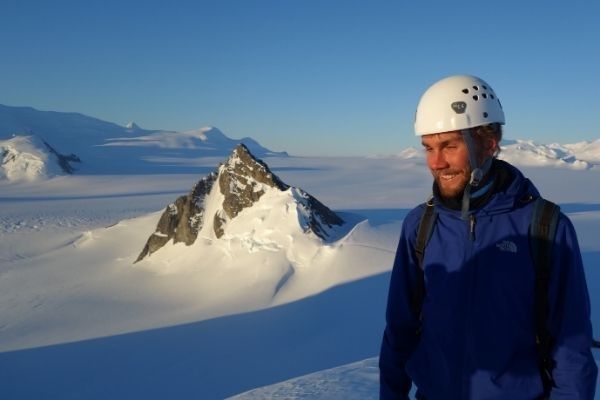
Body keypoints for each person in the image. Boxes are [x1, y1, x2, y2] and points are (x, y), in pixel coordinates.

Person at [379, 75, 597, 399]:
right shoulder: (420, 225)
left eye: (449, 146)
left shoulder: (545, 229)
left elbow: (571, 348)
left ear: (489, 143)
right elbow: (400, 332)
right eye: (428, 148)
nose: (436, 163)